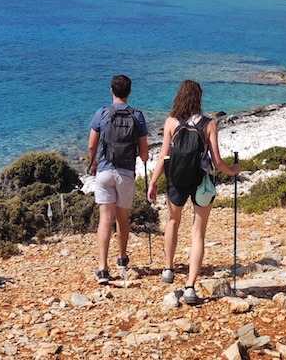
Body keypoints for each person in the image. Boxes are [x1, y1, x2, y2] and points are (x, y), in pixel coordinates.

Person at [147, 79, 241, 304]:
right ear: (199, 97)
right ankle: (190, 287)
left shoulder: (171, 122)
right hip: (201, 181)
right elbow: (217, 162)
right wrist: (233, 170)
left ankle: (168, 269)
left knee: (172, 222)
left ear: (179, 96)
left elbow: (163, 157)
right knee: (198, 233)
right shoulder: (209, 124)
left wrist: (153, 182)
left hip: (176, 180)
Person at [87, 74, 149, 284]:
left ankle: (102, 269)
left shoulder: (102, 113)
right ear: (129, 92)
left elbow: (91, 146)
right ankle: (122, 259)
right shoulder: (137, 116)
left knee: (105, 219)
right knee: (123, 218)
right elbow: (144, 153)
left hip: (104, 172)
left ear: (112, 91)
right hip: (126, 173)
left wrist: (93, 163)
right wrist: (143, 158)